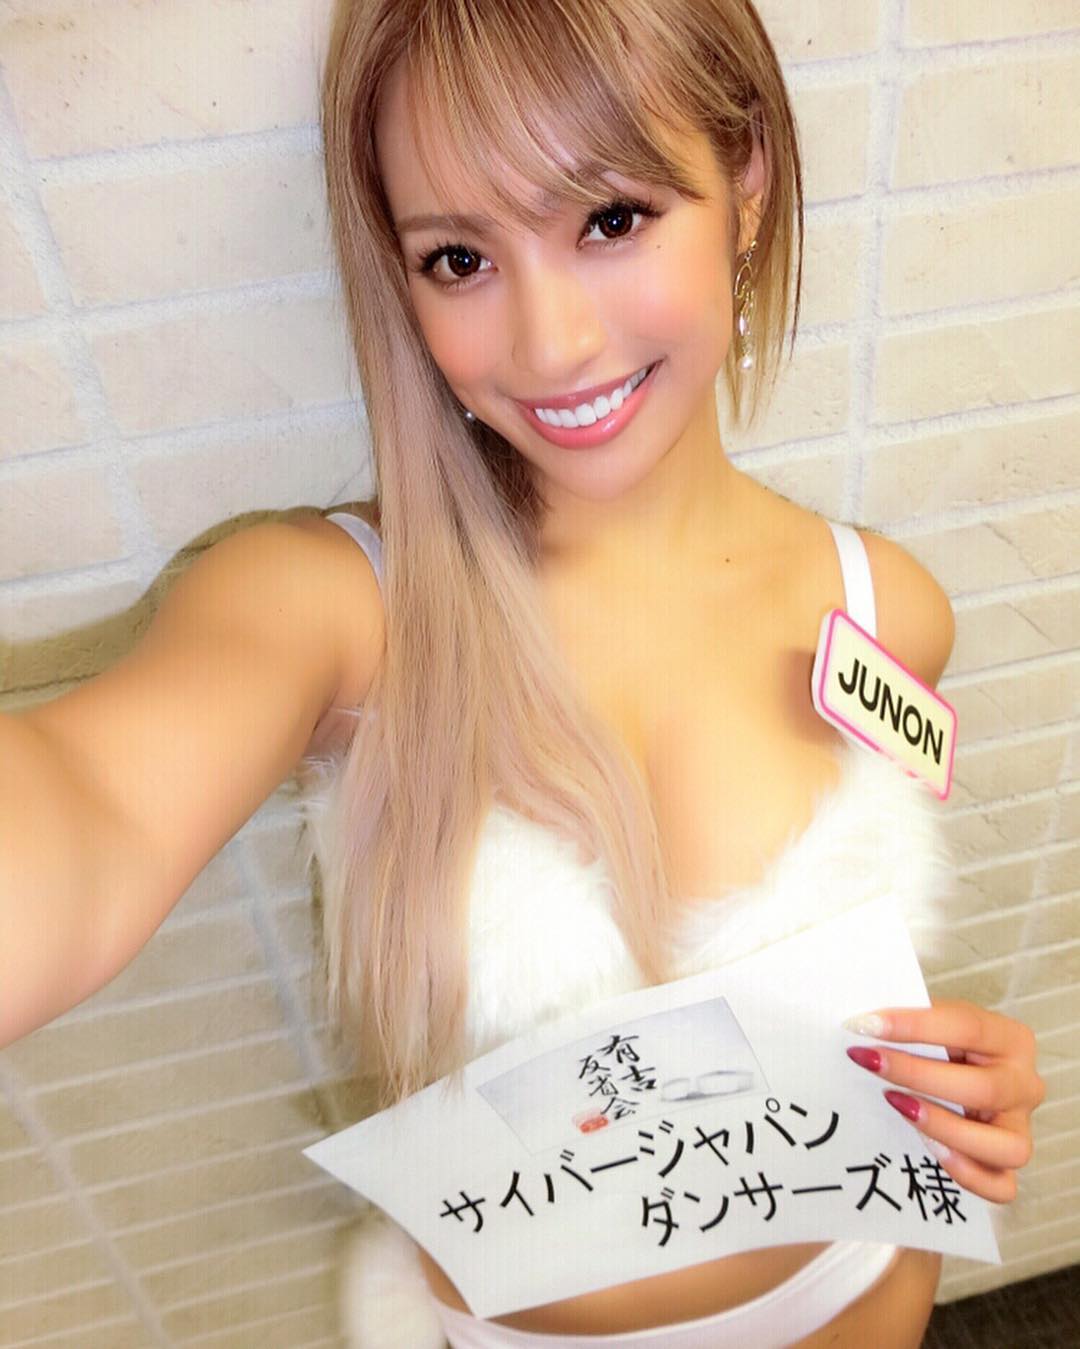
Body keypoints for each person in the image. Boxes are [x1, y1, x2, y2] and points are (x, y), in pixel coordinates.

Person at [1, 2, 1043, 1347]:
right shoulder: (342, 611)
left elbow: (859, 972)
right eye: (459, 258)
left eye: (610, 218)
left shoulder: (888, 611)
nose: (550, 345)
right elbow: (85, 806)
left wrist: (964, 1070)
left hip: (857, 1289)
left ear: (745, 187)